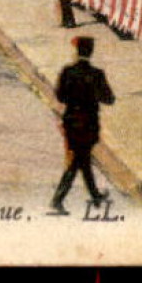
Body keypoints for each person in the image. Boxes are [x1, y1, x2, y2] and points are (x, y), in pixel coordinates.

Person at [49, 36, 115, 214]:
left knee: (82, 160)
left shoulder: (67, 71)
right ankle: (57, 200)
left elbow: (60, 96)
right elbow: (109, 99)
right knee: (77, 161)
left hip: (71, 123)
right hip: (89, 124)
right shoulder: (97, 74)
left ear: (76, 52)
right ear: (91, 52)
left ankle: (95, 196)